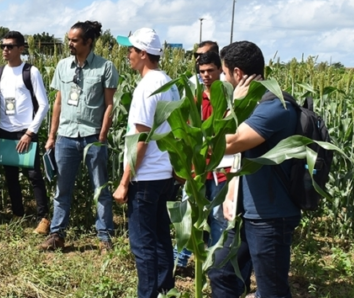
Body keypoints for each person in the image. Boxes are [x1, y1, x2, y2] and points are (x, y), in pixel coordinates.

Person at [210, 41, 299, 298]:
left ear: (237, 73)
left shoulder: (273, 106)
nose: (223, 80)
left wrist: (232, 105)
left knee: (272, 292)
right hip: (248, 212)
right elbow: (244, 157)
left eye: (225, 74)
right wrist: (230, 194)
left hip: (270, 218)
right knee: (221, 271)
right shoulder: (255, 106)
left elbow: (225, 144)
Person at [113, 28, 180, 298]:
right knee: (162, 238)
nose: (127, 55)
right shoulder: (170, 84)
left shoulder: (146, 87)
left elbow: (140, 140)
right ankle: (167, 290)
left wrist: (124, 181)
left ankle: (148, 294)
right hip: (165, 176)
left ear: (143, 54)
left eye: (130, 50)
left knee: (143, 244)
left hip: (146, 177)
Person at [40, 21, 118, 250]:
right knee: (62, 189)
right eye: (69, 39)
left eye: (74, 40)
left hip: (92, 136)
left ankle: (104, 236)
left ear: (88, 42)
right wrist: (51, 136)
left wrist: (102, 134)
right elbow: (58, 102)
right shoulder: (63, 66)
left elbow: (110, 104)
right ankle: (57, 235)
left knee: (100, 188)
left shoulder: (105, 67)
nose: (70, 44)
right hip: (65, 136)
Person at [0, 31, 50, 234]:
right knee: (10, 176)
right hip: (5, 131)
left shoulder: (31, 72)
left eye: (10, 46)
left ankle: (43, 217)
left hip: (25, 131)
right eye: (3, 46)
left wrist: (30, 133)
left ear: (21, 48)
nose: (5, 50)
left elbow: (43, 104)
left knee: (34, 175)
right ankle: (18, 214)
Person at [174, 51, 229, 268]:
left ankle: (216, 265)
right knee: (188, 214)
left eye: (210, 71)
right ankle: (179, 261)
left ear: (220, 70)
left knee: (218, 217)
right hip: (196, 168)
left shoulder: (227, 99)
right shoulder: (195, 98)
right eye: (202, 71)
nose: (205, 75)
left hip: (220, 168)